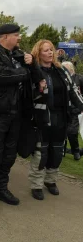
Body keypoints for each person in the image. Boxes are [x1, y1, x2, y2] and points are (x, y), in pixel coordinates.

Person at [0, 24, 43, 214]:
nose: (19, 38)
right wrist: (24, 72)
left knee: (9, 154)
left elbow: (37, 78)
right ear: (5, 36)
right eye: (16, 35)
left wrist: (32, 64)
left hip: (16, 113)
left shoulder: (18, 54)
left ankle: (1, 188)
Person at [29, 42, 83, 200]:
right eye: (46, 50)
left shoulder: (61, 71)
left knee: (57, 151)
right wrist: (38, 89)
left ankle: (50, 181)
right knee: (41, 153)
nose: (50, 53)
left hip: (60, 117)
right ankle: (36, 184)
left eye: (51, 50)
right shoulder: (33, 71)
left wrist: (81, 106)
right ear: (38, 53)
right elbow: (27, 94)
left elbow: (73, 90)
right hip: (41, 118)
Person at [62, 61, 83, 160]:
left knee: (72, 131)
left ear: (71, 69)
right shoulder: (62, 79)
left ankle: (76, 151)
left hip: (76, 110)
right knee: (62, 131)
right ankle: (62, 150)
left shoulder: (79, 78)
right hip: (63, 109)